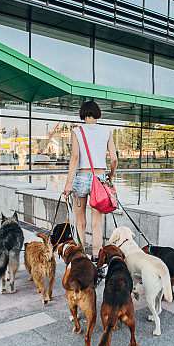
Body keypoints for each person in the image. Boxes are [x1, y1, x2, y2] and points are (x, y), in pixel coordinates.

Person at [63, 101, 118, 261]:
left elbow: (75, 157)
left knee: (80, 222)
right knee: (97, 224)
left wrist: (68, 183)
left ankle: (80, 258)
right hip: (99, 179)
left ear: (82, 114)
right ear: (97, 113)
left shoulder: (77, 131)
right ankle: (96, 259)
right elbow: (114, 159)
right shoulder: (106, 131)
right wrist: (111, 175)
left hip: (80, 178)